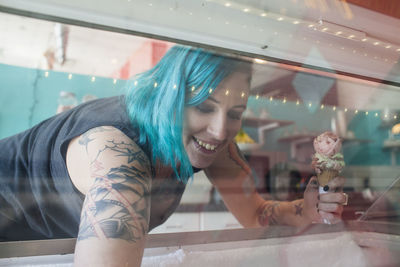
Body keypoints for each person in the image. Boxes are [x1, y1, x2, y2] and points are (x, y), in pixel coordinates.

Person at [0, 45, 347, 266]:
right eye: (202, 107)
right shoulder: (117, 157)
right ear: (169, 97)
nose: (220, 130)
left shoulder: (214, 139)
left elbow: (257, 214)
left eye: (236, 112)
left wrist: (306, 209)